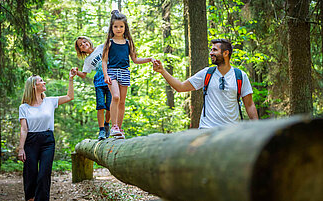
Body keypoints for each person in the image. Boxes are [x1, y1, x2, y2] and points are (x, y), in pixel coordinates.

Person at [153, 39, 258, 129]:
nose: (211, 53)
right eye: (211, 50)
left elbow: (249, 105)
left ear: (226, 53)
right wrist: (163, 71)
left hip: (231, 132)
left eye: (215, 50)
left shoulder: (240, 75)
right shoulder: (206, 73)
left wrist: (257, 129)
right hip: (207, 130)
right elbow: (180, 87)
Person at [17, 68, 77, 201]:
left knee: (44, 174)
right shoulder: (24, 107)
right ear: (34, 86)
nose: (44, 82)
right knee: (30, 174)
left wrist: (71, 79)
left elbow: (69, 97)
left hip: (47, 141)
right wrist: (21, 148)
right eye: (41, 81)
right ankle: (31, 198)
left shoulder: (50, 101)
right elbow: (23, 129)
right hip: (31, 141)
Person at [102, 10, 155, 138]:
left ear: (125, 27)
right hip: (112, 72)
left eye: (121, 26)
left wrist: (149, 59)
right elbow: (104, 60)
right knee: (115, 97)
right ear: (112, 27)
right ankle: (113, 126)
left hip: (125, 72)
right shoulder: (110, 42)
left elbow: (135, 60)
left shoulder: (128, 42)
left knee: (122, 102)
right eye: (116, 26)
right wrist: (106, 75)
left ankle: (119, 129)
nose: (118, 29)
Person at [75, 36, 111, 140]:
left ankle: (107, 124)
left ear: (89, 42)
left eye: (84, 42)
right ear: (80, 50)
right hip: (99, 82)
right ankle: (101, 130)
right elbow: (84, 74)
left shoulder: (101, 47)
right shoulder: (87, 60)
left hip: (110, 79)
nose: (83, 44)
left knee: (110, 106)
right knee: (100, 106)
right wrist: (76, 72)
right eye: (80, 45)